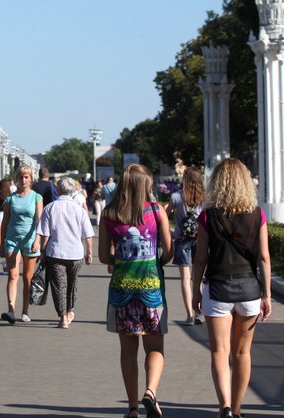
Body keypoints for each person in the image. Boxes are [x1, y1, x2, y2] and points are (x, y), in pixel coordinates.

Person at [191, 158, 272, 418]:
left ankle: (223, 405)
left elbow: (200, 258)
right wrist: (267, 294)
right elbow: (264, 257)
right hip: (249, 289)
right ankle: (237, 409)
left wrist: (194, 290)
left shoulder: (207, 215)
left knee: (219, 351)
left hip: (217, 289)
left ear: (218, 183)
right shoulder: (257, 214)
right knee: (242, 352)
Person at [99, 163, 172, 418]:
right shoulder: (157, 211)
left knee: (128, 351)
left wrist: (120, 258)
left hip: (121, 290)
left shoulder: (109, 214)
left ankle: (132, 407)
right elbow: (169, 251)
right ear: (145, 185)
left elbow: (102, 256)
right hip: (151, 289)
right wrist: (154, 260)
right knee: (155, 348)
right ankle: (150, 392)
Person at [37, 177, 94, 328]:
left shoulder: (50, 208)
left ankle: (63, 318)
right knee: (71, 284)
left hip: (55, 253)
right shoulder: (79, 210)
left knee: (59, 286)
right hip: (76, 254)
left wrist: (43, 250)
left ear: (57, 190)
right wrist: (89, 252)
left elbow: (45, 234)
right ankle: (69, 311)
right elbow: (87, 234)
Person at [0, 165, 44, 324]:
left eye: (26, 177)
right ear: (16, 179)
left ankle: (25, 311)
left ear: (31, 179)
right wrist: (0, 242)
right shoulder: (10, 199)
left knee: (27, 278)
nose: (23, 180)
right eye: (21, 177)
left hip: (30, 241)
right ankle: (11, 310)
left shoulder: (36, 197)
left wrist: (38, 240)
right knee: (12, 275)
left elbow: (39, 220)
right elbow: (4, 222)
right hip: (12, 240)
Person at [168, 167, 205, 325]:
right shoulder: (204, 198)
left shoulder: (177, 197)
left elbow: (164, 213)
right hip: (201, 239)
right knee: (199, 277)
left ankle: (189, 315)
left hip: (182, 240)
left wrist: (171, 231)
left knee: (185, 278)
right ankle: (200, 313)